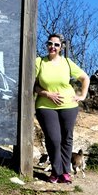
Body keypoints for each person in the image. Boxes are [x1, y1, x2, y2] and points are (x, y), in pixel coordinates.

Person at [34, 33, 89, 183]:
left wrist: (82, 96)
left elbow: (85, 78)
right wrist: (46, 94)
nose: (53, 46)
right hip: (45, 105)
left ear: (61, 47)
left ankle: (65, 172)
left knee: (66, 139)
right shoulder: (39, 62)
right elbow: (33, 84)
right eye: (50, 43)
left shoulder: (67, 62)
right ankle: (56, 171)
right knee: (53, 139)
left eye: (56, 44)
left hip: (69, 105)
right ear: (46, 45)